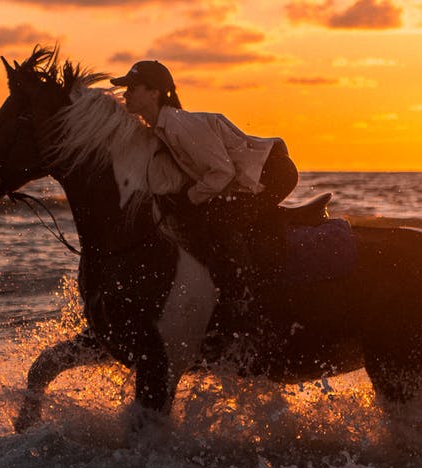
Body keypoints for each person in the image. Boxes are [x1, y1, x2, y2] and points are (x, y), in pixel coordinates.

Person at [111, 59, 299, 306]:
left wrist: (190, 198)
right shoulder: (161, 128)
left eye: (132, 88)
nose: (126, 94)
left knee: (220, 223)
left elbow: (222, 172)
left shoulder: (179, 125)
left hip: (274, 173)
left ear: (154, 93)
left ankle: (245, 297)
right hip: (254, 176)